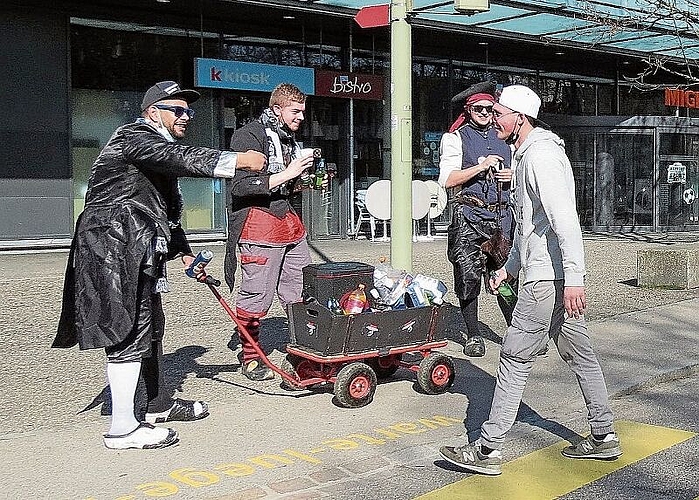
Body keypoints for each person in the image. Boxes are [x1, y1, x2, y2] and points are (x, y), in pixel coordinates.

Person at [53, 81, 267, 450]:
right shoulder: (134, 136)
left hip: (135, 246)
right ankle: (121, 429)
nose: (185, 116)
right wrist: (237, 161)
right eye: (177, 110)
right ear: (153, 112)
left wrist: (184, 252)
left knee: (150, 329)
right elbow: (179, 159)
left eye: (189, 111)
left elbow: (165, 211)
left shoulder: (154, 152)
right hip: (113, 246)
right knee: (127, 331)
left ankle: (157, 407)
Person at [439, 84, 621, 476]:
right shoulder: (528, 153)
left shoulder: (540, 156)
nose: (495, 119)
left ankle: (488, 449)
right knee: (581, 356)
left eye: (500, 113)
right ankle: (604, 436)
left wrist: (575, 278)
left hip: (547, 282)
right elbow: (530, 226)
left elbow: (564, 221)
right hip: (545, 275)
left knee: (513, 358)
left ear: (519, 118)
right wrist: (509, 268)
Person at [224, 83, 316, 381]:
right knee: (256, 294)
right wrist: (289, 173)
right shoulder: (248, 135)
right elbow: (239, 186)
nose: (301, 117)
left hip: (289, 223)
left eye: (303, 111)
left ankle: (303, 349)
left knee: (300, 291)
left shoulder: (288, 137)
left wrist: (300, 180)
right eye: (296, 111)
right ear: (277, 109)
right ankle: (250, 356)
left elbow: (283, 184)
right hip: (258, 224)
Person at [438, 81, 515, 358]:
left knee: (507, 276)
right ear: (469, 110)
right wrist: (479, 167)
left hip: (502, 216)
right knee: (468, 276)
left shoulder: (505, 136)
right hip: (469, 214)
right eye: (479, 108)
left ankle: (515, 332)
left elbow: (519, 169)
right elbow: (447, 180)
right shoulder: (456, 138)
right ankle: (473, 334)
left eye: (489, 109)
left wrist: (512, 175)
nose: (485, 113)